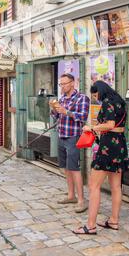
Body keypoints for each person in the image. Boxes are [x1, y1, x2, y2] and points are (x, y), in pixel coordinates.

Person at [73, 81, 129, 235]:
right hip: (120, 145)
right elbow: (117, 124)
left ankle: (90, 226)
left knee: (93, 186)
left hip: (108, 146)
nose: (96, 98)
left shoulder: (107, 103)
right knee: (116, 186)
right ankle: (113, 221)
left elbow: (109, 124)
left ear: (101, 92)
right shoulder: (120, 102)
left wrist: (92, 127)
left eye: (96, 95)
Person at [50, 73, 90, 213]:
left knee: (74, 169)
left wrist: (66, 112)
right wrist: (54, 109)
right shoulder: (62, 99)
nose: (62, 86)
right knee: (66, 168)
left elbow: (83, 117)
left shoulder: (82, 98)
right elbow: (56, 116)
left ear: (72, 83)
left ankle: (81, 200)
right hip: (61, 135)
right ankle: (71, 195)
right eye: (61, 84)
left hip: (73, 137)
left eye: (64, 83)